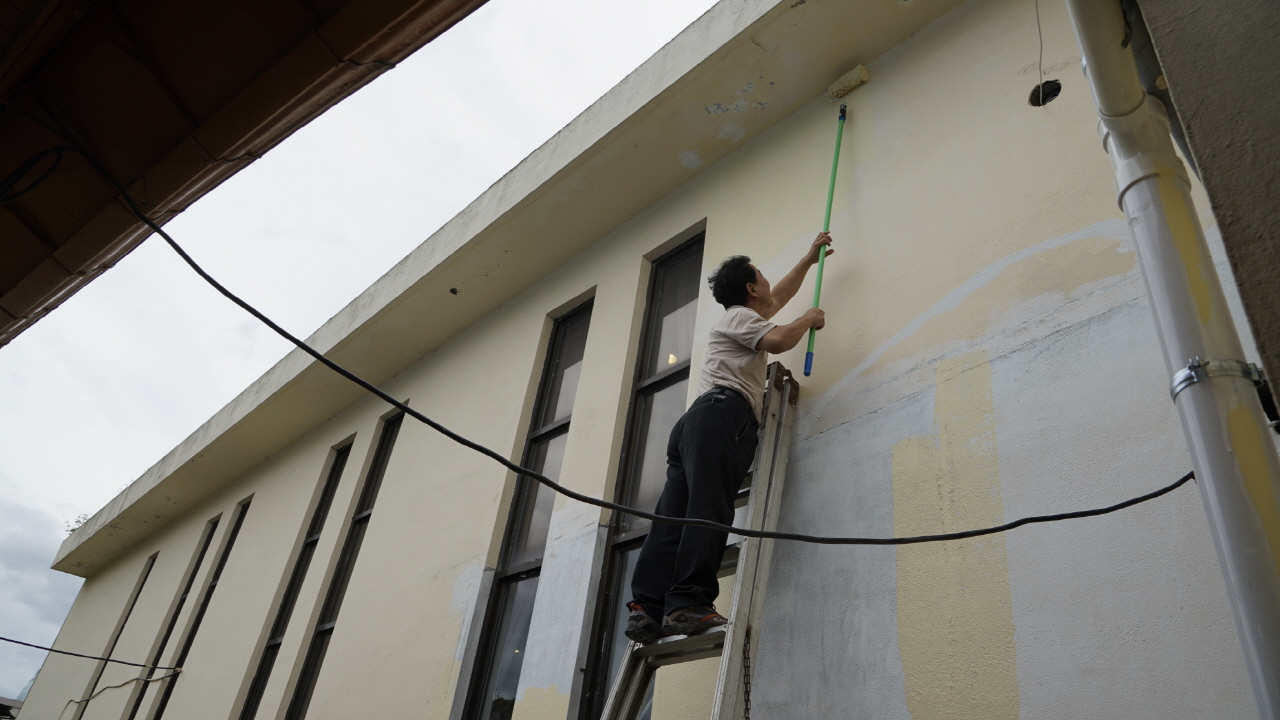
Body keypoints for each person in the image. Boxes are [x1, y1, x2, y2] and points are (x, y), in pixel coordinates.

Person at [625, 232, 832, 642]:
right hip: (723, 416)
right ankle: (687, 604)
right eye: (763, 278)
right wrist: (808, 320)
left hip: (697, 421)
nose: (770, 286)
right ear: (751, 288)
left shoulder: (744, 315)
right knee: (709, 506)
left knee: (673, 517)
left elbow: (777, 302)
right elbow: (776, 338)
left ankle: (647, 608)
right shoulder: (740, 315)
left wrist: (809, 259)